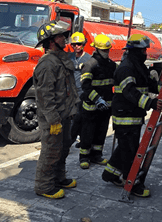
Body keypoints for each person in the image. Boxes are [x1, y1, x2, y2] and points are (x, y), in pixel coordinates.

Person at [102, 34, 162, 198]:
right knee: (130, 151)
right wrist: (150, 103)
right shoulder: (126, 68)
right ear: (134, 50)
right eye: (142, 50)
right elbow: (130, 92)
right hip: (124, 117)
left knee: (124, 147)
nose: (145, 53)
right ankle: (132, 183)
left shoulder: (138, 66)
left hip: (133, 115)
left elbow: (148, 84)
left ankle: (110, 173)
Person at [32, 20, 79, 199]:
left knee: (63, 148)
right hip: (53, 118)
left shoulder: (60, 59)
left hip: (64, 115)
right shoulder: (47, 64)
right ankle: (44, 186)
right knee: (51, 151)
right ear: (51, 41)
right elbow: (45, 95)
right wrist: (53, 119)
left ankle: (58, 178)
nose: (65, 39)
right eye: (61, 36)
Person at [79, 34, 116, 168]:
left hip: (106, 106)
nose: (106, 52)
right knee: (88, 132)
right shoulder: (89, 65)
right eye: (104, 50)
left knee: (101, 132)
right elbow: (85, 86)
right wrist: (97, 99)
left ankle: (96, 155)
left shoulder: (112, 65)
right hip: (91, 106)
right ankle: (84, 157)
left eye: (108, 50)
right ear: (96, 49)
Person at [67, 32, 91, 147]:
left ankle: (80, 140)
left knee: (81, 118)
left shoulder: (89, 59)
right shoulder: (69, 58)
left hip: (83, 93)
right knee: (72, 118)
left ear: (84, 44)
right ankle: (71, 139)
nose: (76, 46)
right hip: (71, 93)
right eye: (74, 44)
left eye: (79, 44)